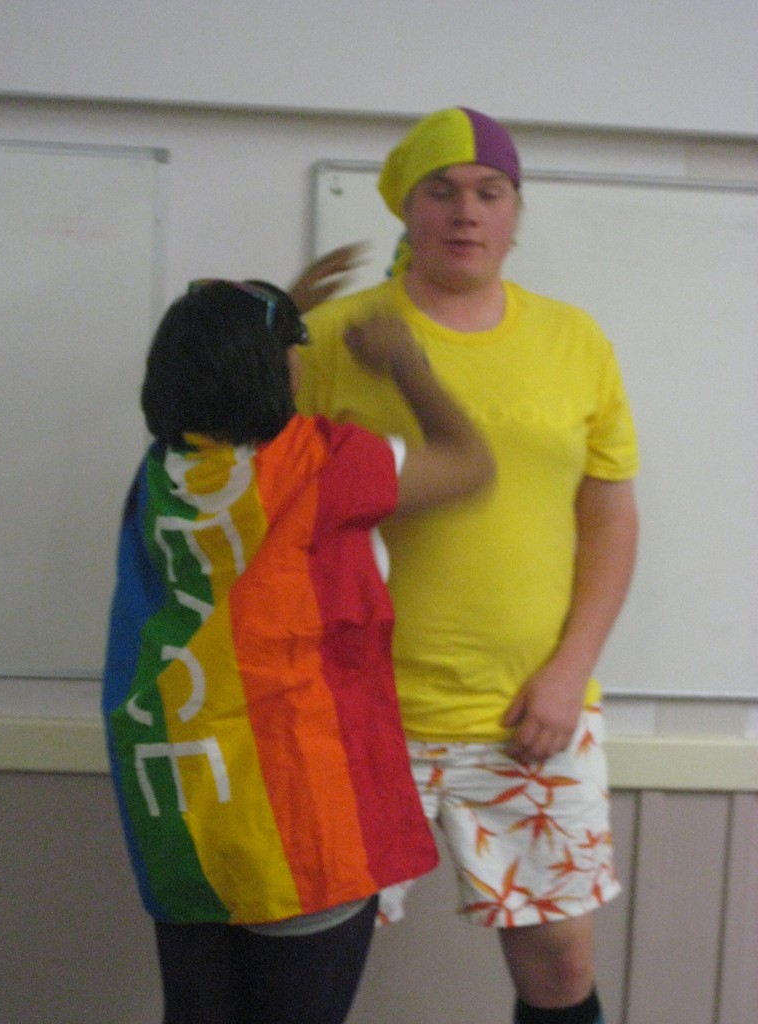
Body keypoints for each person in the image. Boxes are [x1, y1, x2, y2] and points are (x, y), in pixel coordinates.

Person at [295, 107, 640, 1024]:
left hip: (530, 713)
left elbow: (609, 517)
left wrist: (570, 669)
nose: (466, 211)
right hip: (358, 715)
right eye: (441, 190)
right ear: (406, 207)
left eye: (491, 192)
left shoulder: (574, 339)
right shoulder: (334, 336)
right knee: (309, 970)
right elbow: (245, 491)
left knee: (560, 971)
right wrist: (271, 327)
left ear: (516, 213)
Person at [102, 271, 495, 1024]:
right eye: (294, 354)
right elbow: (469, 463)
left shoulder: (157, 477)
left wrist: (278, 310)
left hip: (184, 812)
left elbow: (221, 381)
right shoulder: (325, 464)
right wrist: (406, 362)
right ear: (276, 368)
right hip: (300, 816)